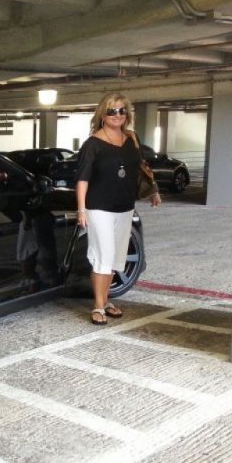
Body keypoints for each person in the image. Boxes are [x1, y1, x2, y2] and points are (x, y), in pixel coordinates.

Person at [74, 93, 161, 325]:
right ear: (103, 114)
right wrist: (81, 209)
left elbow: (141, 168)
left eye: (122, 110)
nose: (117, 115)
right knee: (103, 256)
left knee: (115, 259)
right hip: (99, 207)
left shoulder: (131, 139)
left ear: (127, 115)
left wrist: (153, 190)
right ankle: (98, 306)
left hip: (125, 207)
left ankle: (105, 301)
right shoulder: (93, 144)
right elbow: (82, 179)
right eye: (112, 111)